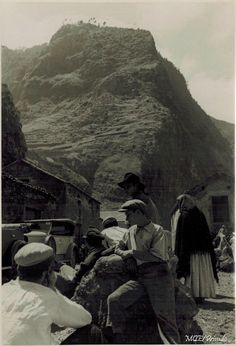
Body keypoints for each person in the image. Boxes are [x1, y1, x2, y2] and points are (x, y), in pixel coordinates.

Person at [106, 199, 180, 344]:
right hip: (140, 277)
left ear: (139, 212)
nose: (126, 219)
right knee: (114, 300)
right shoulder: (130, 231)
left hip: (159, 278)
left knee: (165, 319)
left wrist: (132, 253)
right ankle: (118, 338)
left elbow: (156, 255)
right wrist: (126, 257)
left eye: (128, 215)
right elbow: (118, 248)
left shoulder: (158, 230)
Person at [2, 242, 103, 345]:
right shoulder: (48, 297)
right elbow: (85, 318)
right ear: (46, 274)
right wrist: (53, 289)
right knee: (93, 332)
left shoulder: (4, 289)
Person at [174, 194, 218, 304]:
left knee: (193, 273)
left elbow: (182, 238)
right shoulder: (200, 214)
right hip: (204, 253)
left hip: (191, 253)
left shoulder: (184, 216)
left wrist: (180, 253)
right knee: (201, 273)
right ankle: (201, 295)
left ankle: (193, 295)